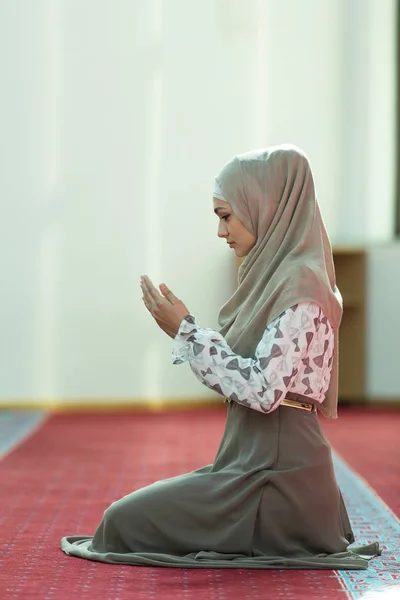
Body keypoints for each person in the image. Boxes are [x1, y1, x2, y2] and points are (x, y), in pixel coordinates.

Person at [61, 144, 381, 569]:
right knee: (122, 521)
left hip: (277, 478)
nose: (220, 231)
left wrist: (186, 333)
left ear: (264, 205)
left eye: (226, 216)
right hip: (249, 464)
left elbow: (264, 390)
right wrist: (189, 334)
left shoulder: (302, 285)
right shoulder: (277, 277)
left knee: (121, 523)